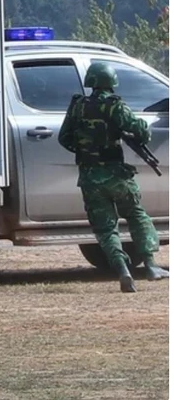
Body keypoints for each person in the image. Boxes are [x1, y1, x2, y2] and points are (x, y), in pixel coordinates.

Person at [58, 61, 169, 292]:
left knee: (105, 228)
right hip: (116, 174)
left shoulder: (77, 106)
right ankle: (150, 265)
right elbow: (140, 130)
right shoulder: (114, 106)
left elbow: (65, 138)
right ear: (111, 82)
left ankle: (122, 270)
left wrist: (86, 151)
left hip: (89, 177)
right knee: (137, 215)